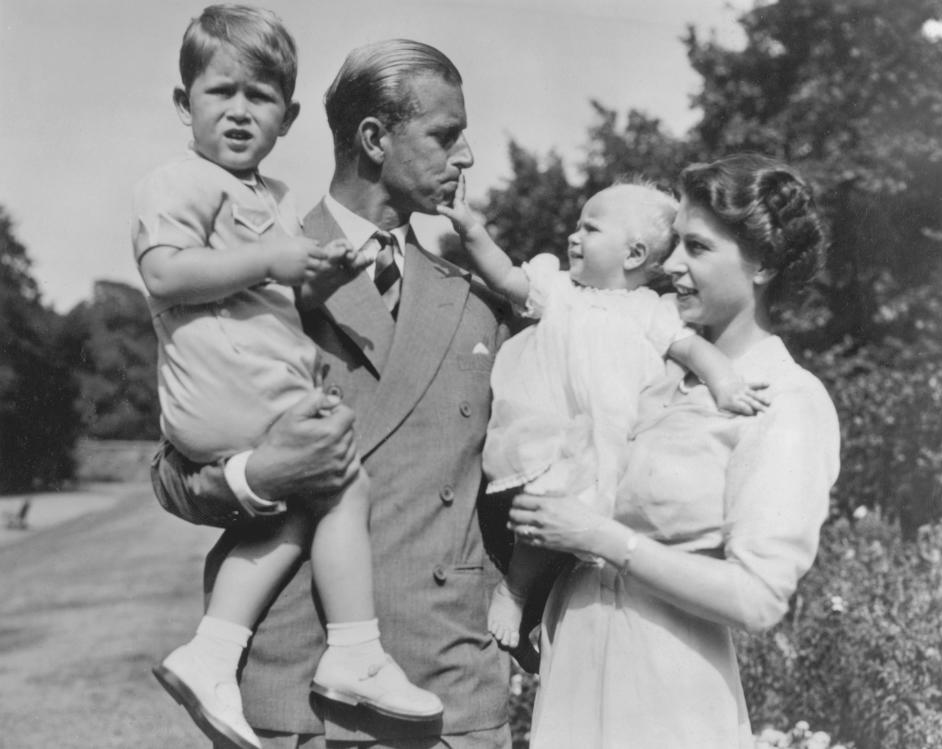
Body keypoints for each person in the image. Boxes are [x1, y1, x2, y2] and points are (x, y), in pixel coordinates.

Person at [150, 36, 514, 749]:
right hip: (296, 694)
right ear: (374, 138)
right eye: (446, 135)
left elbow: (513, 477)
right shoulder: (244, 264)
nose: (466, 156)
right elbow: (170, 474)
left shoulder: (476, 299)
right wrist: (257, 475)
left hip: (447, 693)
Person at [505, 153, 842, 748]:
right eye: (674, 244)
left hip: (668, 694)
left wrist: (601, 539)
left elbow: (757, 598)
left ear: (762, 263)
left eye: (698, 248)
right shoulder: (648, 367)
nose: (671, 263)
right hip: (575, 669)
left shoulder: (786, 399)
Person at [438, 178, 769, 650]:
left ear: (633, 254)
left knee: (583, 532)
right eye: (576, 226)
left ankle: (542, 616)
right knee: (546, 506)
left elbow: (695, 350)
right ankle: (513, 589)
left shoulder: (652, 312)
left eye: (589, 228)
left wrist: (726, 382)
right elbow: (505, 276)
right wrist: (471, 228)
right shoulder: (558, 290)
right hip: (551, 429)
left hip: (610, 441)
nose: (573, 237)